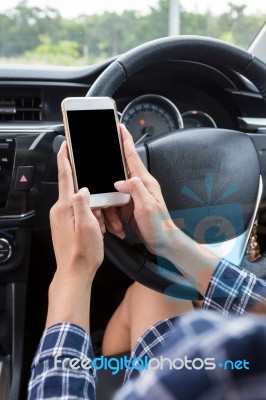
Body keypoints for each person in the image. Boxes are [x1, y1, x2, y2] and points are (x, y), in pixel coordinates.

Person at [27, 125, 266, 400]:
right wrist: (169, 240)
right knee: (152, 287)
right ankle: (109, 360)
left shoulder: (213, 356)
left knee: (155, 288)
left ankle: (101, 363)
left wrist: (73, 270)